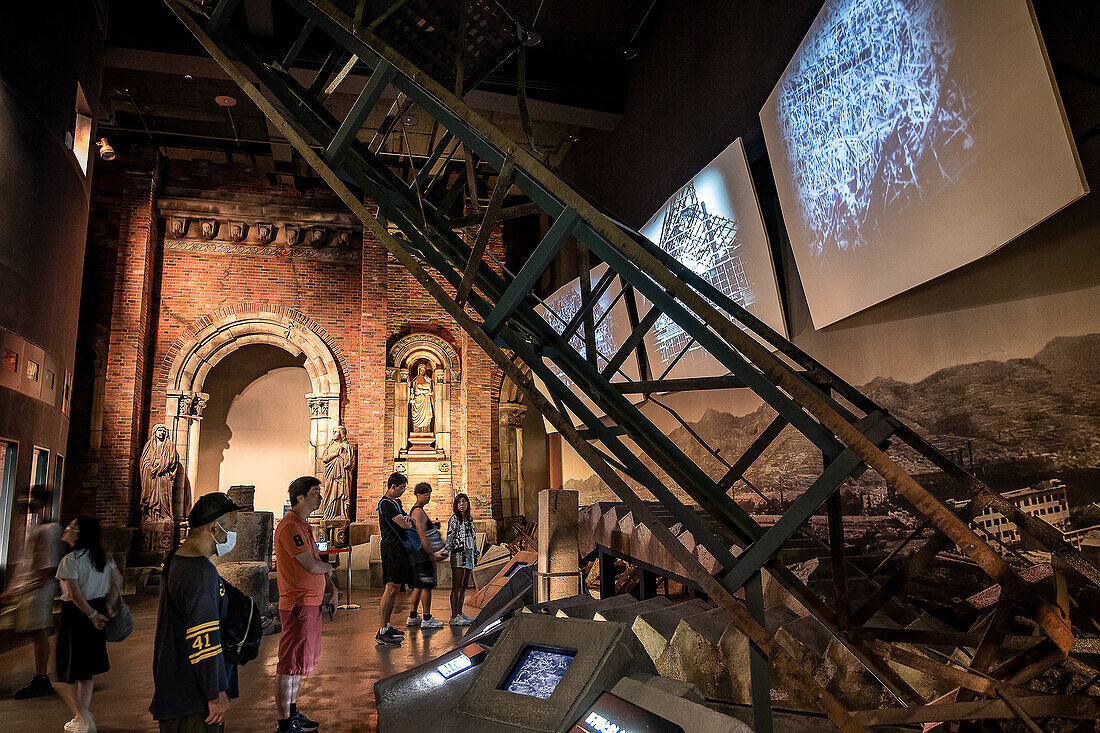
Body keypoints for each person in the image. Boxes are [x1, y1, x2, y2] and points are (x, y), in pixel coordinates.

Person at [150, 492, 241, 733]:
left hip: (175, 684)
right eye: (231, 526)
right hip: (194, 699)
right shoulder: (200, 573)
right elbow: (204, 638)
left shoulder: (176, 560)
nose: (232, 534)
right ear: (214, 526)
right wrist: (216, 693)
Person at [274, 476, 338, 733]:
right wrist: (329, 568)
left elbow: (314, 562)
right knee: (288, 664)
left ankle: (292, 712)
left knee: (298, 663)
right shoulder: (290, 527)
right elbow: (312, 565)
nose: (320, 497)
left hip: (310, 603)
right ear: (299, 497)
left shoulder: (303, 526)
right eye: (315, 493)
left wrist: (332, 589)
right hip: (298, 603)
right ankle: (284, 722)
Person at [55, 516, 121, 733]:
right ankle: (80, 716)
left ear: (81, 533)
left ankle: (83, 717)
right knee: (87, 670)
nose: (67, 529)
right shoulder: (103, 558)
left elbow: (74, 595)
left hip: (76, 617)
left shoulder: (71, 560)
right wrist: (107, 611)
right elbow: (117, 583)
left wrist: (91, 614)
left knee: (69, 670)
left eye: (72, 527)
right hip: (98, 614)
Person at [3, 485, 62, 699]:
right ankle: (40, 676)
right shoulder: (34, 526)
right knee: (27, 630)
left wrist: (33, 585)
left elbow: (48, 565)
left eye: (32, 498)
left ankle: (41, 677)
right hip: (27, 588)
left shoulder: (49, 529)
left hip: (36, 589)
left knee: (38, 633)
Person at [375, 473, 412, 646]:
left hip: (399, 549)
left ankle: (387, 626)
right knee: (390, 588)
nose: (403, 492)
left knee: (396, 587)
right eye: (401, 488)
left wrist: (407, 521)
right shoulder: (385, 503)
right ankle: (382, 630)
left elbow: (408, 519)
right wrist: (406, 521)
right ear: (393, 486)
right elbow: (405, 524)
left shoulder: (396, 504)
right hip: (391, 549)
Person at [404, 482, 445, 630]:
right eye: (426, 494)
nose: (428, 496)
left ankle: (413, 617)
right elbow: (422, 535)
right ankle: (427, 618)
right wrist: (431, 554)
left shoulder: (416, 511)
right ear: (418, 494)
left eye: (429, 493)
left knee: (418, 586)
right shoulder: (418, 512)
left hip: (416, 555)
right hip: (421, 555)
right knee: (426, 586)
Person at [444, 493, 479, 626]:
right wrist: (446, 552)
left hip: (469, 554)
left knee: (464, 586)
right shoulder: (454, 519)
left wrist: (475, 553)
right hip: (458, 554)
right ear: (456, 505)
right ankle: (454, 616)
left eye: (464, 502)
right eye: (459, 502)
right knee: (457, 586)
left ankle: (460, 613)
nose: (462, 504)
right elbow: (450, 537)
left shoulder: (469, 519)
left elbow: (473, 537)